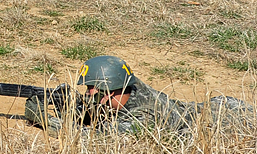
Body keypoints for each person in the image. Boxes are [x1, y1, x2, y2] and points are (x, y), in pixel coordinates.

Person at [24, 55, 253, 136]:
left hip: (230, 120)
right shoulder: (128, 88)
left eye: (91, 89)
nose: (87, 94)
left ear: (108, 90)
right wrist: (71, 106)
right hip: (210, 108)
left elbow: (95, 139)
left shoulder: (144, 115)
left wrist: (47, 121)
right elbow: (96, 113)